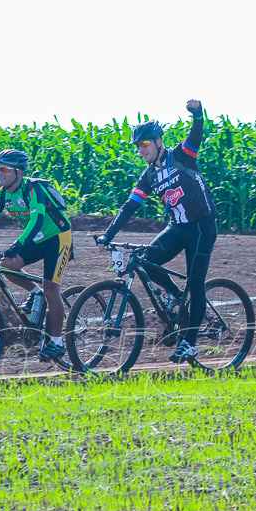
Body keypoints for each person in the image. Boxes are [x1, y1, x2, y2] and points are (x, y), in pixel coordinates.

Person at [95, 99, 218, 363]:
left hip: (202, 228)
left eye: (145, 144)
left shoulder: (182, 156)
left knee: (196, 285)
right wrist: (108, 234)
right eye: (139, 147)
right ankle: (176, 298)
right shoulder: (149, 176)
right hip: (178, 227)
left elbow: (196, 135)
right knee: (147, 261)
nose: (142, 150)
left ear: (159, 141)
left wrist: (198, 115)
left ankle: (190, 343)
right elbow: (129, 206)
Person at [0, 149, 73, 360]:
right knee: (7, 265)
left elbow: (37, 220)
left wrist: (17, 244)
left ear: (18, 172)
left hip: (58, 237)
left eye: (4, 168)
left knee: (52, 289)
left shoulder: (33, 188)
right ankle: (35, 292)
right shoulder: (3, 194)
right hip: (37, 239)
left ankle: (56, 341)